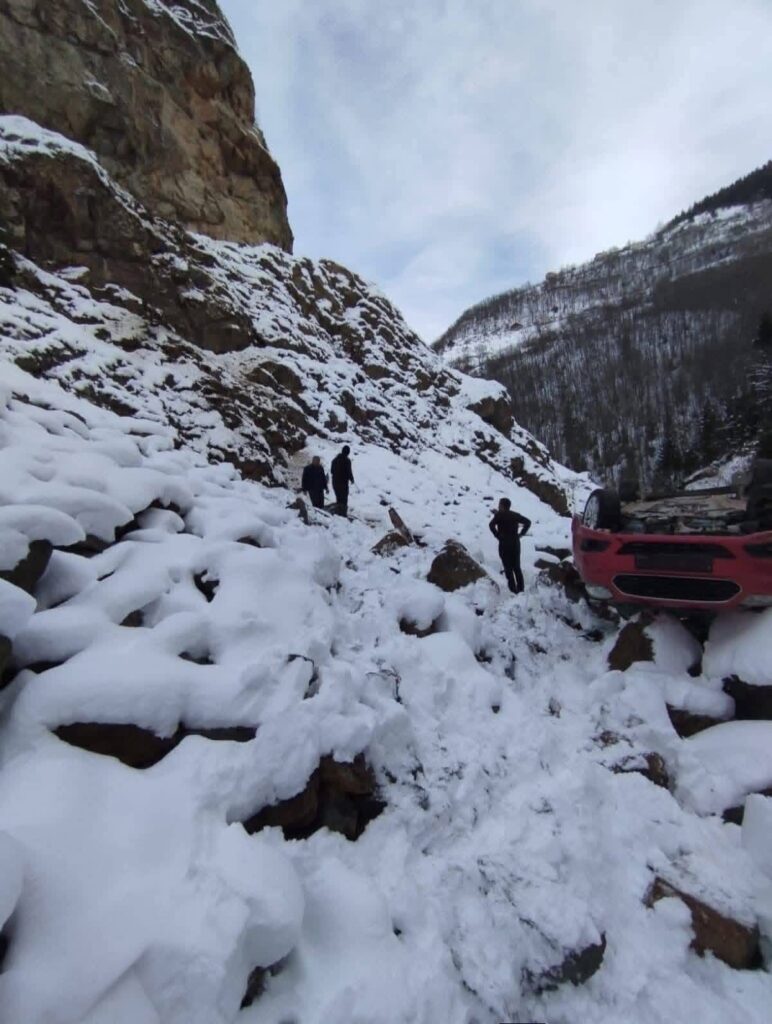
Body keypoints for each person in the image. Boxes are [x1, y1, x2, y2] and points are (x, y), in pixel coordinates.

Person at [489, 497, 531, 593]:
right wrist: (521, 534)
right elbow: (528, 522)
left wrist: (497, 535)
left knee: (508, 568)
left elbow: (491, 525)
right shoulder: (515, 515)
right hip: (515, 543)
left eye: (499, 505)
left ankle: (513, 590)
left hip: (504, 543)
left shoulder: (499, 515)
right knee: (517, 567)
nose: (498, 506)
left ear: (502, 505)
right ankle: (521, 589)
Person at [330, 445, 354, 514]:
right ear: (348, 452)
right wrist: (351, 479)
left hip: (335, 482)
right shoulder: (347, 461)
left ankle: (338, 512)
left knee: (338, 497)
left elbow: (332, 471)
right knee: (344, 499)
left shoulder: (335, 460)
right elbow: (349, 471)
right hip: (343, 483)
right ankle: (343, 514)